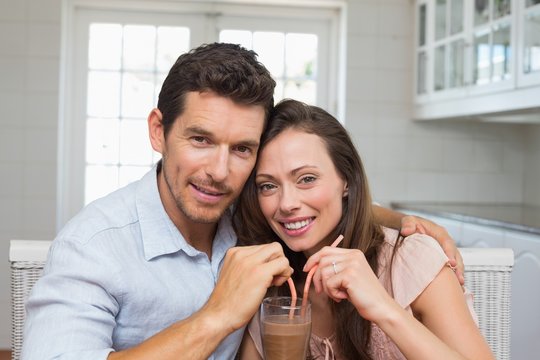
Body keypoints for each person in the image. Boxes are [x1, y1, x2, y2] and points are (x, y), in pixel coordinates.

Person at [22, 43, 462, 360]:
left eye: (242, 149)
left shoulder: (246, 214)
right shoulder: (92, 247)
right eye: (200, 139)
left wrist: (403, 221)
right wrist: (216, 317)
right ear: (159, 130)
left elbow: (312, 202)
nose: (219, 171)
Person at [234, 99, 493, 360]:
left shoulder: (409, 260)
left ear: (346, 180)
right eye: (268, 186)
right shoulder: (269, 281)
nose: (287, 204)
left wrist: (382, 307)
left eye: (307, 179)